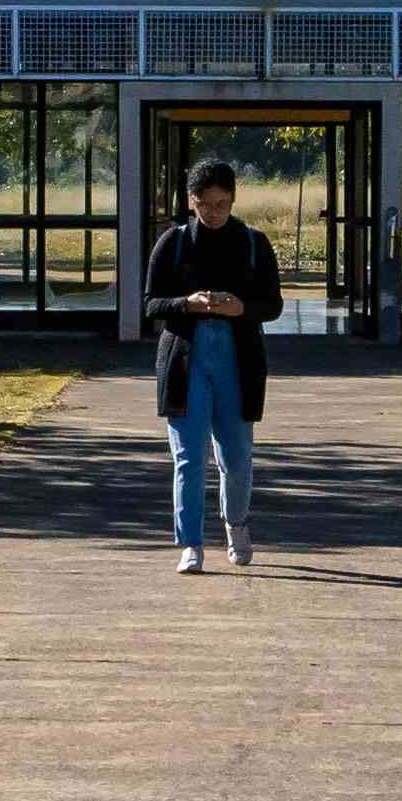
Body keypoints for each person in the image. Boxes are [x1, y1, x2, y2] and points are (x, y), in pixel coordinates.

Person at [142, 155, 279, 572]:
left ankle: (236, 525)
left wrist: (241, 308)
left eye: (221, 204)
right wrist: (186, 303)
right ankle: (191, 543)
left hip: (238, 360)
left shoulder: (254, 243)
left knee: (236, 457)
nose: (214, 213)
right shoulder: (174, 242)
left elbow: (272, 305)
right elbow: (149, 303)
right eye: (205, 204)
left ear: (234, 200)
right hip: (186, 360)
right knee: (189, 457)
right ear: (192, 201)